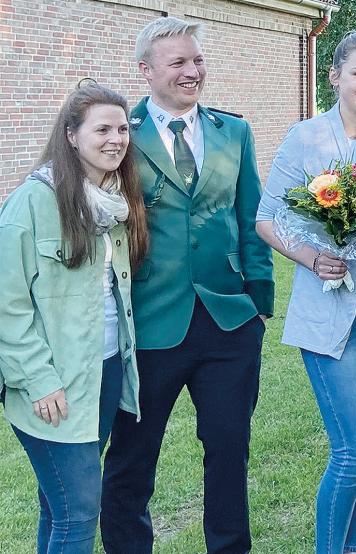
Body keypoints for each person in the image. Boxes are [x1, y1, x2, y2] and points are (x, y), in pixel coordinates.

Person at [100, 16, 273, 554]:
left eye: (197, 60)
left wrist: (259, 301)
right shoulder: (120, 134)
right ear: (145, 71)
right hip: (150, 321)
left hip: (228, 322)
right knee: (131, 459)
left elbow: (252, 219)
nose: (192, 71)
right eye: (178, 62)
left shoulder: (234, 131)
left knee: (228, 454)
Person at [254, 31, 356, 554]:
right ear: (335, 77)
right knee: (354, 447)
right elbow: (266, 218)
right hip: (334, 305)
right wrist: (311, 256)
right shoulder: (308, 138)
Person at [0, 84, 148, 554]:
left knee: (59, 506)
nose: (116, 139)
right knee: (80, 515)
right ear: (70, 135)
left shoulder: (116, 201)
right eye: (102, 128)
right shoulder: (31, 203)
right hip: (51, 386)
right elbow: (7, 303)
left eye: (123, 128)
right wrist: (39, 380)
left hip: (104, 372)